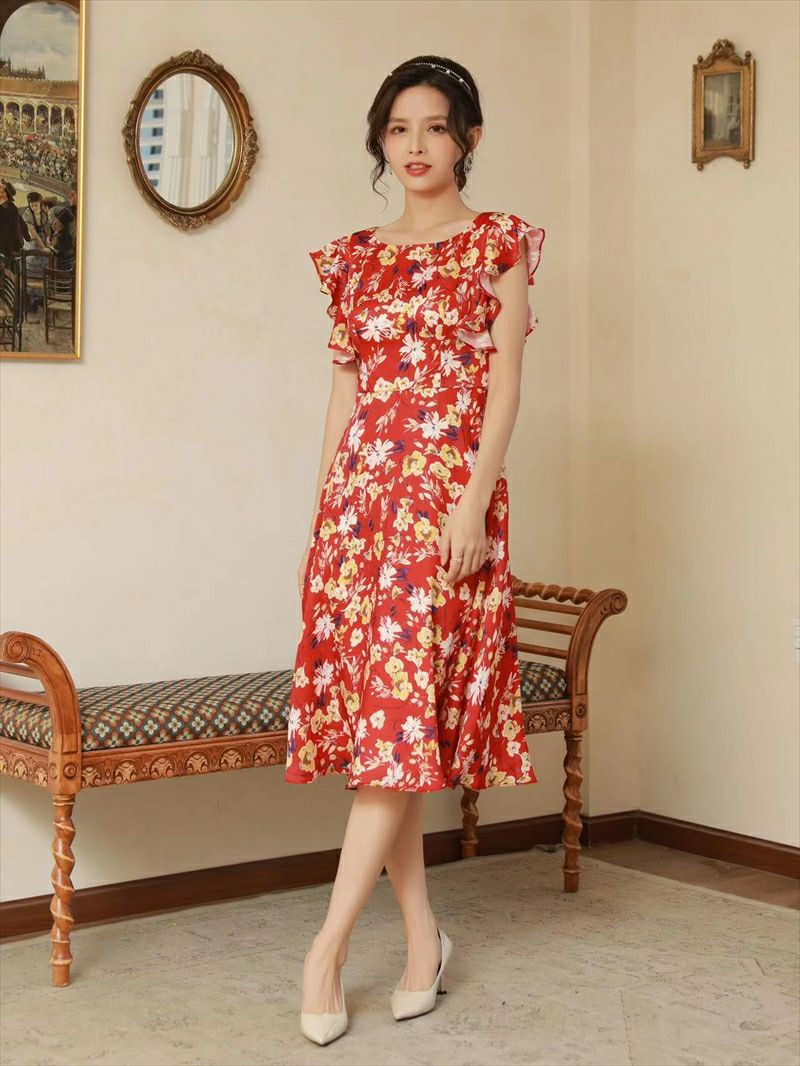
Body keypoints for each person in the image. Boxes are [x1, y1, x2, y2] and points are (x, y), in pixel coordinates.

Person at [285, 54, 546, 1045]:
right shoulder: (355, 257)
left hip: (445, 511)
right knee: (386, 737)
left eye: (435, 126)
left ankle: (325, 948)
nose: (416, 145)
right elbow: (344, 394)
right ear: (380, 141)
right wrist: (323, 523)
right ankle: (423, 938)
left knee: (395, 728)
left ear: (467, 139)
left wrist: (472, 505)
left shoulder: (497, 245)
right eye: (398, 128)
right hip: (360, 514)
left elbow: (505, 386)